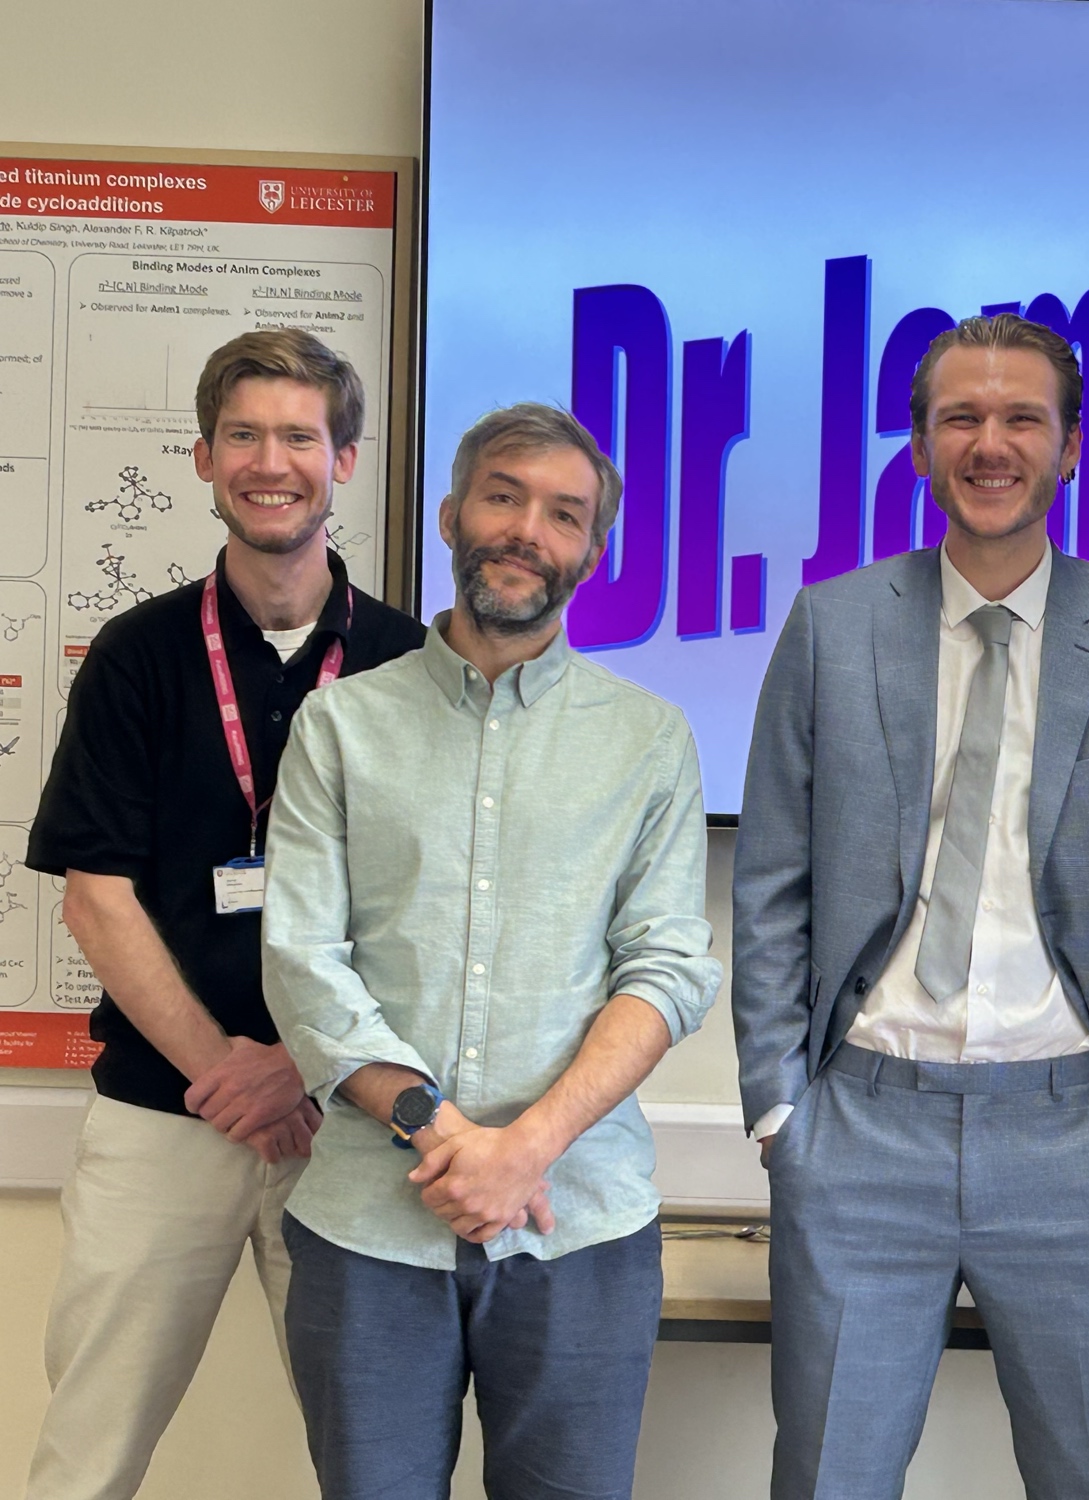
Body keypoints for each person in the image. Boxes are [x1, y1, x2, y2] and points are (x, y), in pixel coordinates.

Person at [733, 313, 1089, 1500]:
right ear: (918, 447)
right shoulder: (831, 625)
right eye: (959, 417)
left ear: (1070, 447)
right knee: (827, 1481)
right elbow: (772, 877)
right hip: (858, 1129)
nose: (988, 444)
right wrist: (778, 1109)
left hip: (1074, 1137)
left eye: (1020, 419)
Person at [260, 402, 722, 1500]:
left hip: (580, 1222)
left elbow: (666, 969)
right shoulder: (339, 726)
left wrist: (526, 1150)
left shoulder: (649, 739)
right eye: (503, 496)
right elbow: (301, 960)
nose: (526, 529)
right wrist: (442, 1130)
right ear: (450, 515)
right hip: (370, 1228)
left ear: (592, 553)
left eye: (563, 514)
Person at [22, 329, 425, 1499]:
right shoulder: (139, 656)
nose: (269, 462)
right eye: (242, 435)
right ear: (203, 458)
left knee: (378, 1458)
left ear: (343, 460)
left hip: (348, 1122)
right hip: (166, 1114)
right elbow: (97, 897)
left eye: (298, 436)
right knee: (88, 1452)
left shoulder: (410, 665)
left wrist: (300, 1068)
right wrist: (229, 1075)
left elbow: (430, 917)